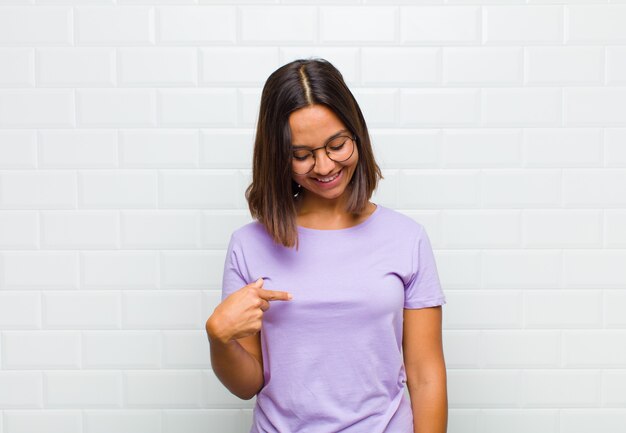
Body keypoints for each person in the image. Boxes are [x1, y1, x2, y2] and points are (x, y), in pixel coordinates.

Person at [206, 58, 448, 433]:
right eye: (301, 155)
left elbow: (425, 373)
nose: (323, 166)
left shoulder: (406, 238)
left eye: (336, 145)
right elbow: (247, 384)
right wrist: (219, 338)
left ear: (357, 135)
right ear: (278, 157)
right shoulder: (248, 245)